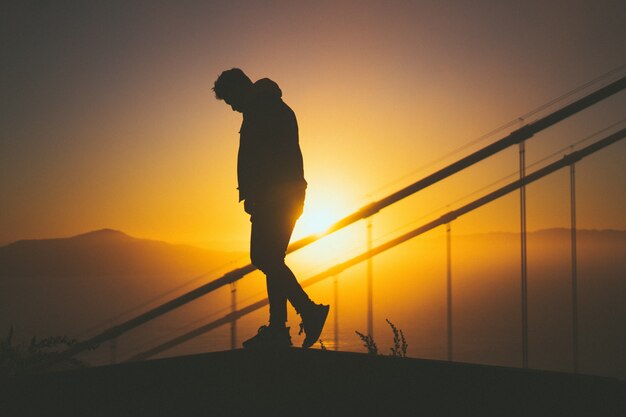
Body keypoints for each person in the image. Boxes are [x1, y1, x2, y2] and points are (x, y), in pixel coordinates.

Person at [212, 68, 329, 348]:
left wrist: (258, 194)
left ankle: (308, 311)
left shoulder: (262, 109)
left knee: (264, 258)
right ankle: (279, 329)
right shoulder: (267, 105)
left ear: (239, 89)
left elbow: (267, 157)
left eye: (230, 100)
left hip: (276, 198)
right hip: (281, 196)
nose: (232, 107)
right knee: (272, 259)